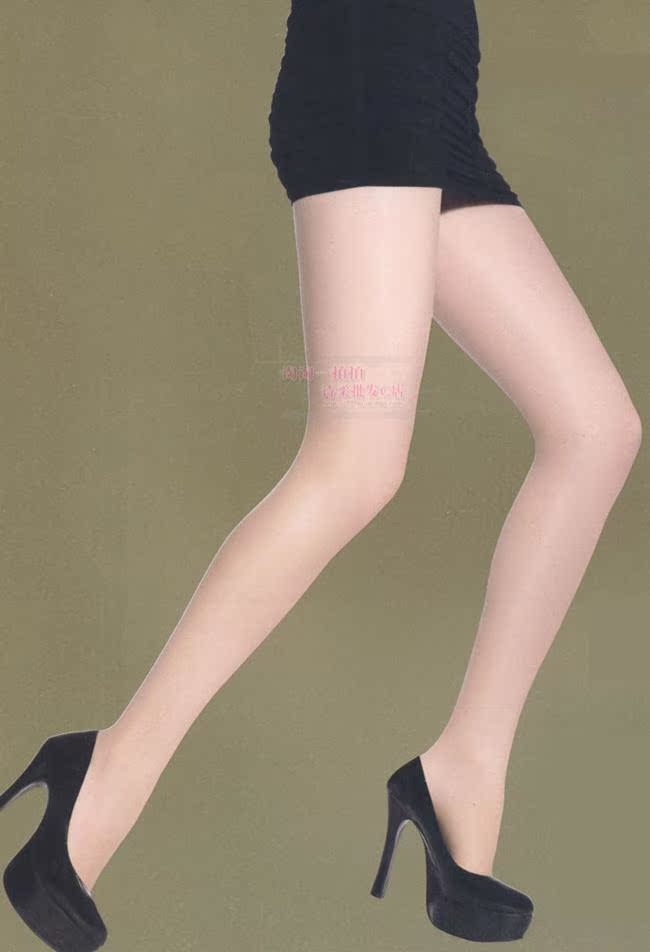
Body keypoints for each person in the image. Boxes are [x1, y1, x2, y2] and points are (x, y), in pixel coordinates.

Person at [0, 0, 642, 947]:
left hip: (435, 94)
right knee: (355, 460)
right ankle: (109, 768)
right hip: (369, 70)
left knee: (596, 430)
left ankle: (463, 767)